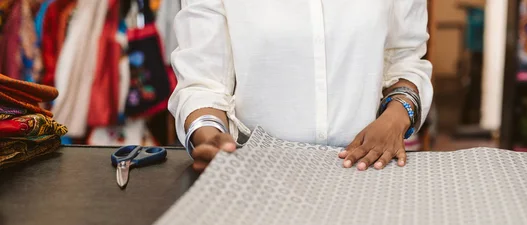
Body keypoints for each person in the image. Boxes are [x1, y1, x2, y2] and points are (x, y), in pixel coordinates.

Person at [169, 0, 433, 173]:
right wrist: (210, 135)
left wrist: (395, 118)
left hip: (368, 169)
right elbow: (203, 80)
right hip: (255, 177)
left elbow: (406, 58)